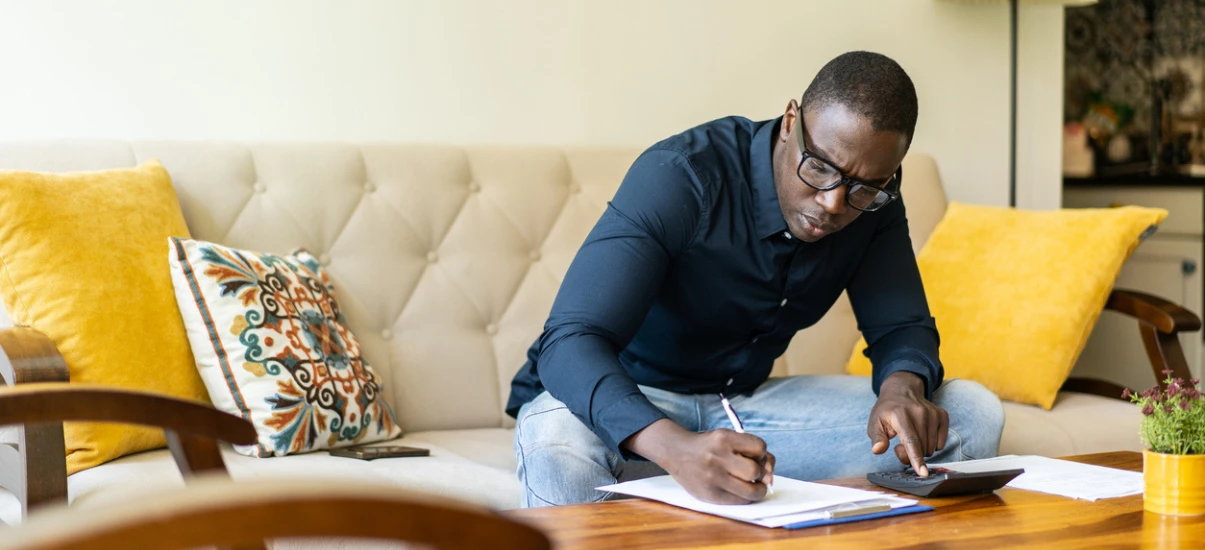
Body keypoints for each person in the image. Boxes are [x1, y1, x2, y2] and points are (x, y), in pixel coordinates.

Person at [506, 51, 1005, 508]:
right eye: (821, 168)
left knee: (971, 412)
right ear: (791, 122)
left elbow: (900, 327)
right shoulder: (683, 175)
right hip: (632, 401)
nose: (833, 202)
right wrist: (678, 449)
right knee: (557, 442)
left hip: (747, 408)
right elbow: (569, 342)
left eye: (863, 187)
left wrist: (901, 388)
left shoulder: (871, 205)